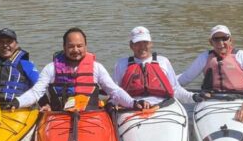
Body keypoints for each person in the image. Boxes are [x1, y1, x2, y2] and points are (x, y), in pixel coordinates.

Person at [15, 27, 146, 111]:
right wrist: (17, 102)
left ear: (86, 47)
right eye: (71, 46)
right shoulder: (51, 68)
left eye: (80, 46)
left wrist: (133, 103)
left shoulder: (96, 67)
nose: (76, 50)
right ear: (64, 47)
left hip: (91, 118)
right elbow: (36, 92)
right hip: (58, 117)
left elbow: (114, 91)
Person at [113, 26, 195, 105]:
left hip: (162, 106)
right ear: (131, 45)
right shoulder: (121, 64)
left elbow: (175, 89)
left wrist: (193, 96)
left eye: (145, 43)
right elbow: (115, 92)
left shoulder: (163, 61)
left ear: (151, 44)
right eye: (138, 43)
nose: (142, 47)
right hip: (133, 107)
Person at [177, 25, 243, 95]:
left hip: (241, 97)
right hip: (211, 98)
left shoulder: (241, 56)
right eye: (216, 39)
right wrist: (168, 84)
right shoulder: (204, 57)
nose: (221, 43)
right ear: (211, 42)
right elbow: (185, 78)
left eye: (224, 38)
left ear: (230, 40)